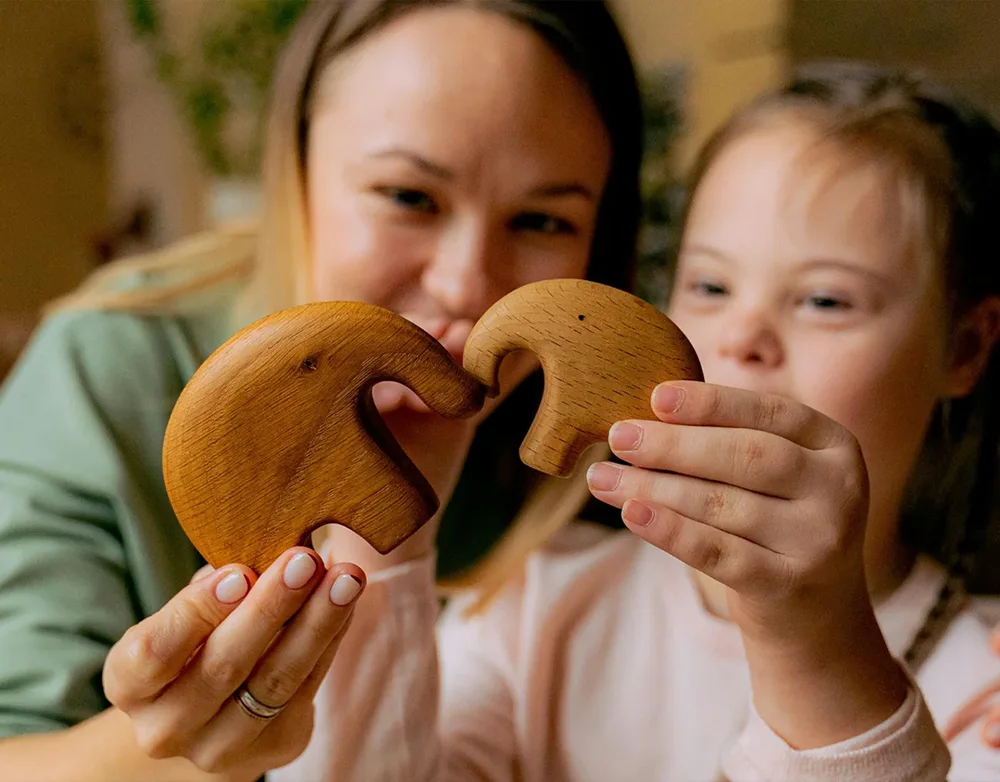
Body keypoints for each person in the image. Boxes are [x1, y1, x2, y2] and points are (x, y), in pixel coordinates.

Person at [122, 60, 1000, 781]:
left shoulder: (981, 684)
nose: (742, 336)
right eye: (709, 286)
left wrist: (822, 655)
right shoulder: (540, 607)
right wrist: (386, 538)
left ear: (964, 346)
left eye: (824, 298)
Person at [0, 1, 641, 780]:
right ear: (293, 175)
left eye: (541, 219)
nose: (465, 282)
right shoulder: (112, 368)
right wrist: (188, 753)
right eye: (409, 197)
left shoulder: (602, 451)